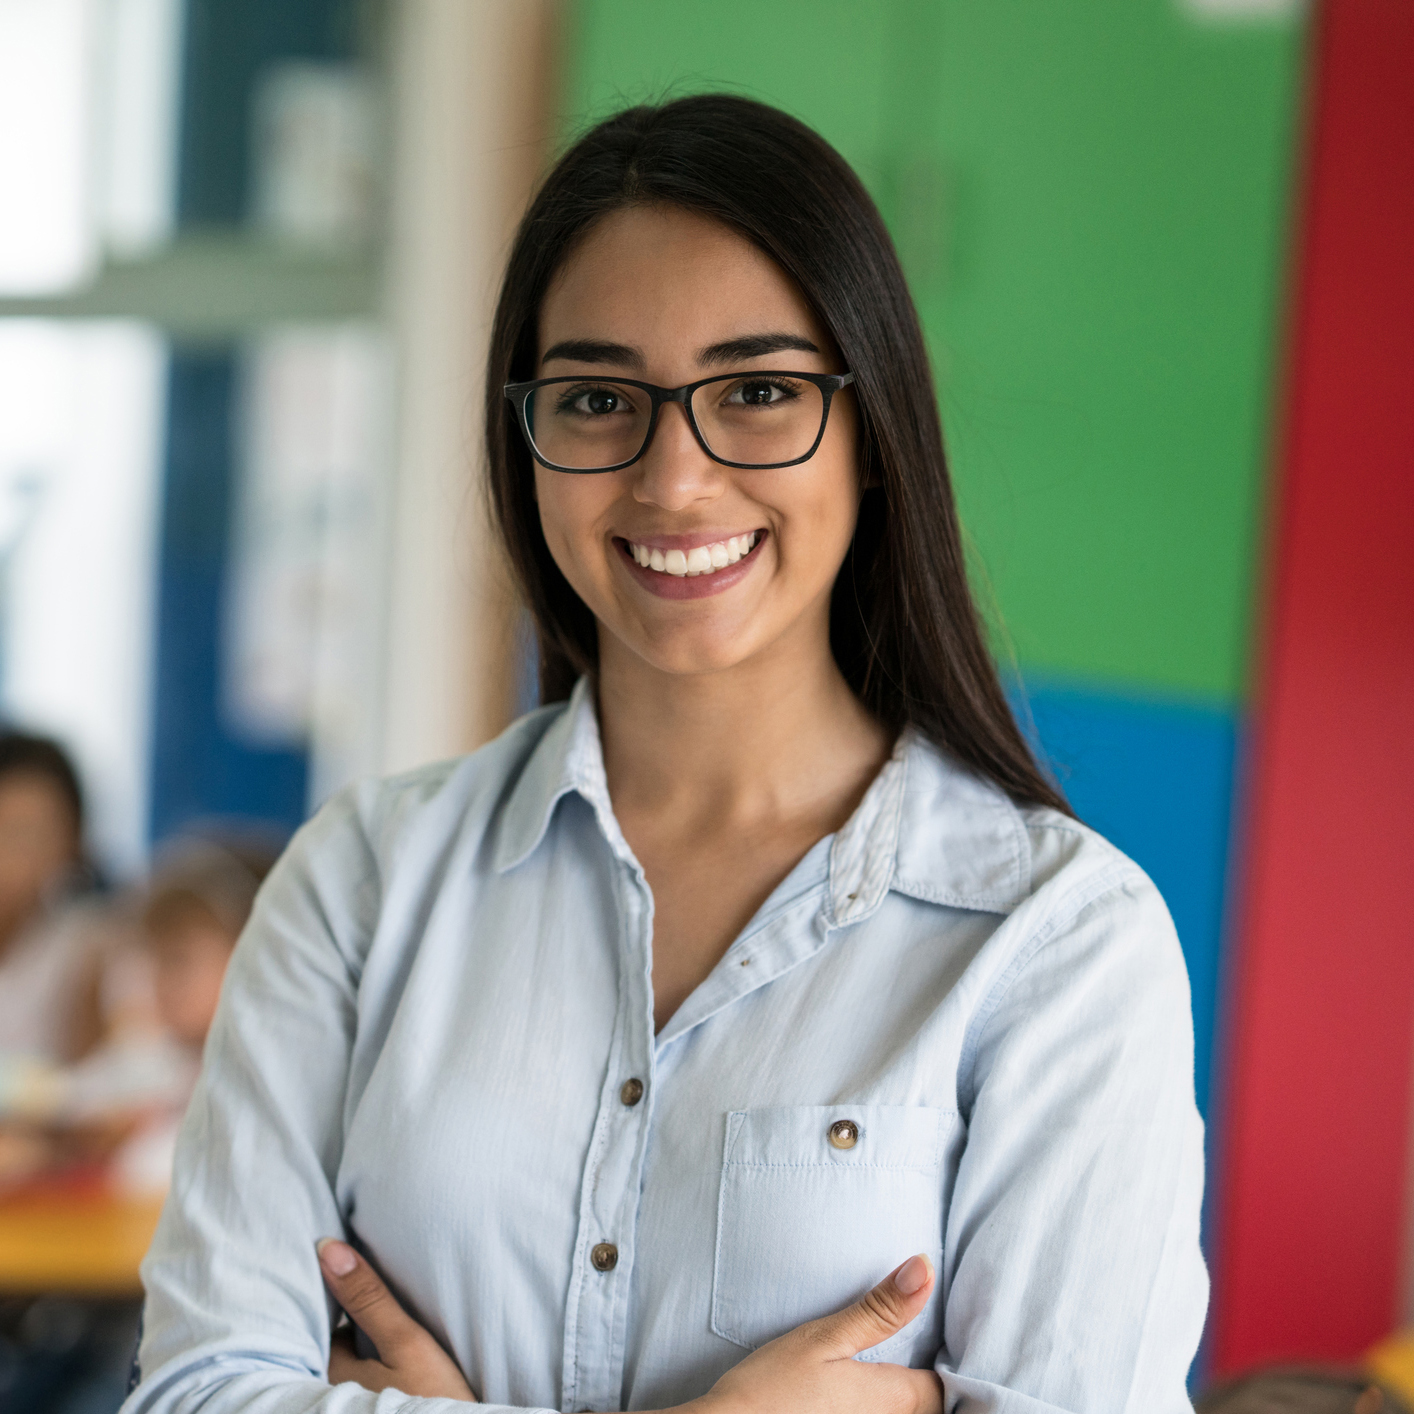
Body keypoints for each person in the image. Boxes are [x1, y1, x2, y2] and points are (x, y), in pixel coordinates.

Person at [123, 95, 1207, 1414]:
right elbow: (198, 1392)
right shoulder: (358, 883)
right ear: (523, 442)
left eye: (756, 391)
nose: (673, 480)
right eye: (595, 399)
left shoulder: (1053, 941)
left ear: (872, 436)